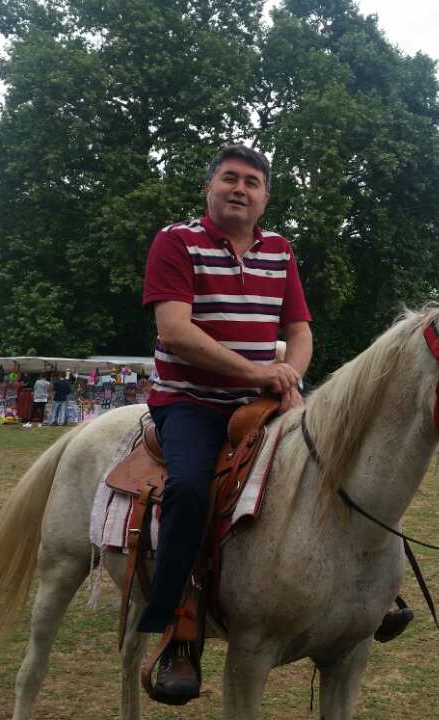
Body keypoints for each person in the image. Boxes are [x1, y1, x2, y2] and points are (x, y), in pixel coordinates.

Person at [140, 143, 313, 704]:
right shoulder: (176, 241)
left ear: (265, 198)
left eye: (252, 182)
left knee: (333, 463)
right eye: (230, 178)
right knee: (190, 488)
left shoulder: (280, 251)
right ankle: (177, 629)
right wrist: (260, 372)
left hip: (262, 401)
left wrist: (289, 374)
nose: (240, 189)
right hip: (190, 401)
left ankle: (365, 596)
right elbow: (175, 331)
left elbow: (299, 330)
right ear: (209, 187)